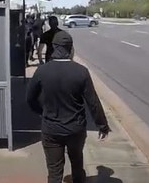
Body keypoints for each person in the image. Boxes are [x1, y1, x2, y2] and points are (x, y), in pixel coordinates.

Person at [26, 29, 111, 183]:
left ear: (53, 48)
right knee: (77, 164)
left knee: (54, 171)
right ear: (71, 49)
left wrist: (42, 111)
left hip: (51, 129)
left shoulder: (42, 71)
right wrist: (102, 125)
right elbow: (93, 102)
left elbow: (30, 98)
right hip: (76, 130)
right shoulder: (81, 72)